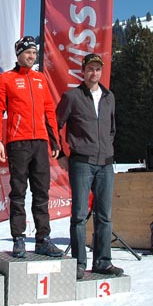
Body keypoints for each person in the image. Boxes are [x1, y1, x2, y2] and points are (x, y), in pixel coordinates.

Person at [0, 35, 64, 258]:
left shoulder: (40, 79)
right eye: (28, 52)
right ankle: (19, 239)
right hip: (17, 143)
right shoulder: (6, 79)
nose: (32, 56)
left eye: (34, 52)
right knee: (18, 192)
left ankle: (43, 239)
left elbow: (49, 110)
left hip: (40, 142)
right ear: (19, 54)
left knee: (41, 192)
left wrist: (55, 140)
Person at [56, 53, 124, 280]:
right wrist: (61, 154)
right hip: (81, 163)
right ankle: (78, 263)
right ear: (83, 72)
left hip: (105, 164)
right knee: (79, 215)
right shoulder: (72, 96)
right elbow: (55, 125)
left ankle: (103, 262)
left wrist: (107, 149)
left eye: (97, 69)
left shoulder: (109, 97)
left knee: (104, 216)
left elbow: (112, 129)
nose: (94, 73)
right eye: (90, 69)